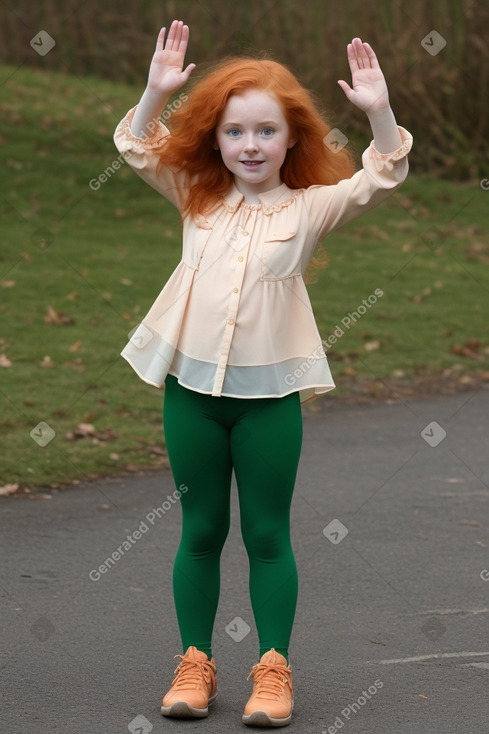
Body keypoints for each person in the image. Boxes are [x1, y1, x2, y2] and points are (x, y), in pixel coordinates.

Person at [113, 19, 412, 728]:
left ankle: (272, 669)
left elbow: (383, 171)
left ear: (290, 140)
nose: (250, 146)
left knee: (267, 534)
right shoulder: (194, 193)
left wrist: (377, 109)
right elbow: (132, 143)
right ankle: (194, 663)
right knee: (200, 528)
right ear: (216, 138)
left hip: (268, 401)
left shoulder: (310, 208)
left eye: (266, 132)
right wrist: (157, 92)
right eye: (236, 132)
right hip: (190, 394)